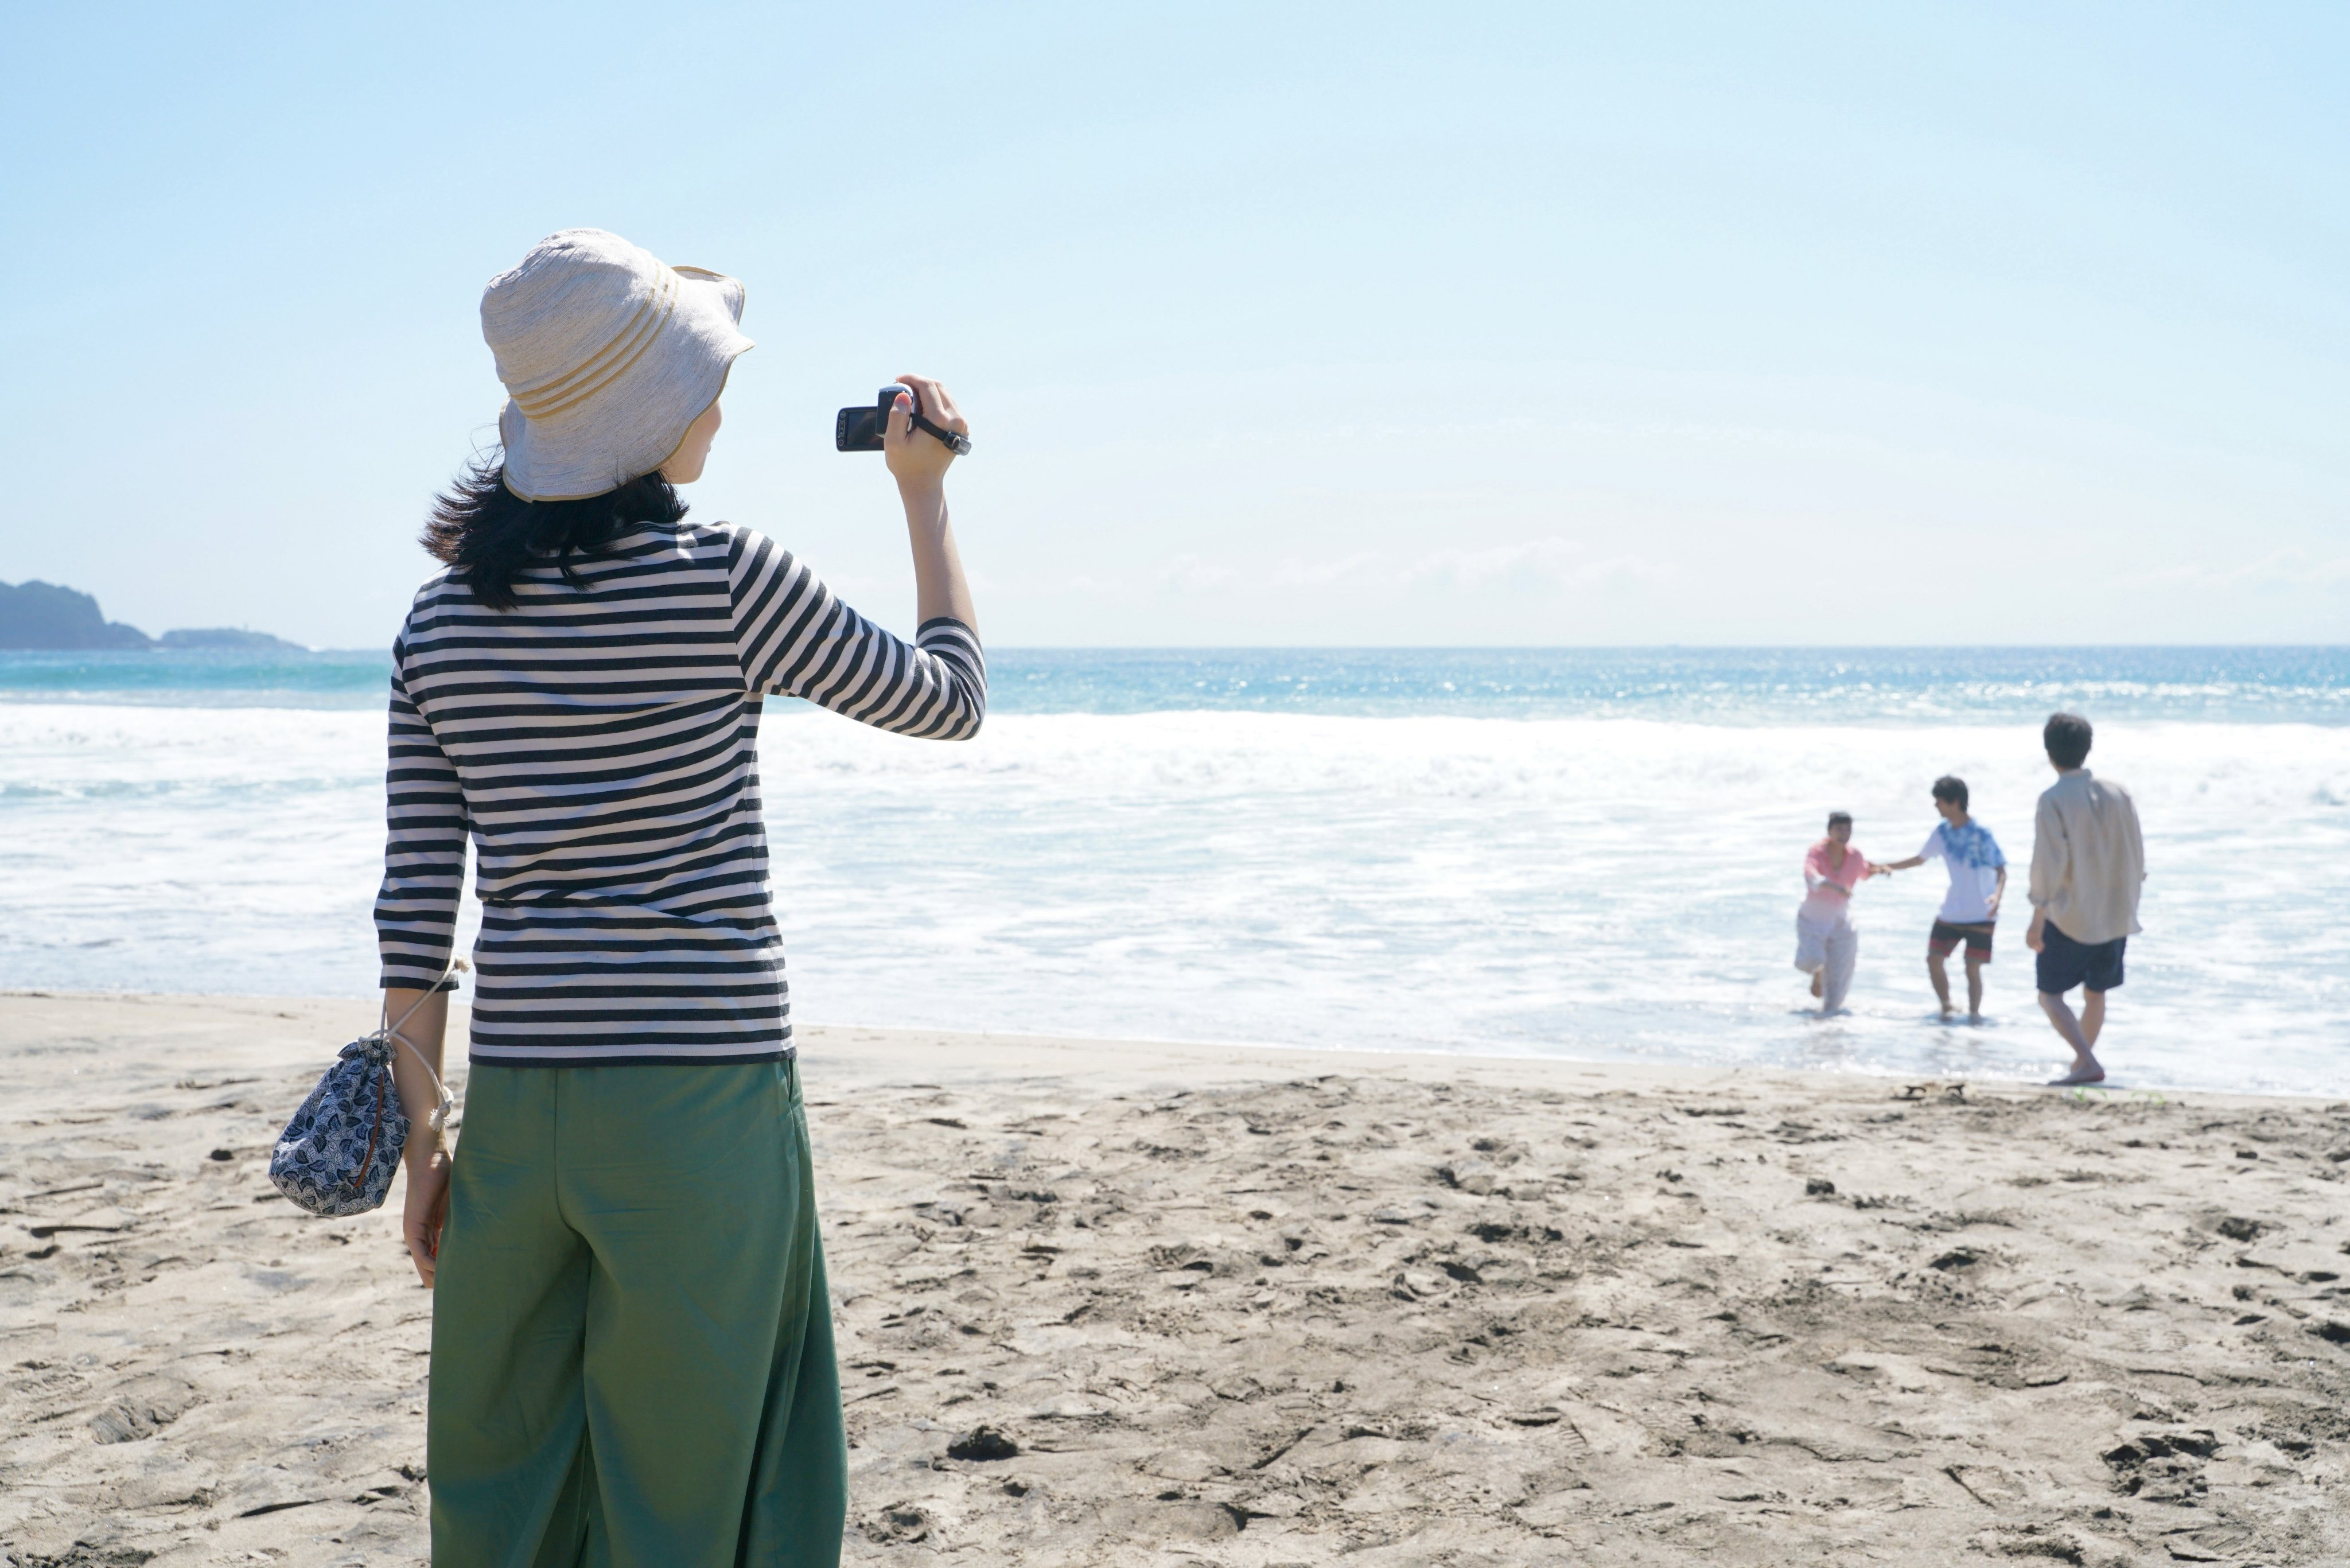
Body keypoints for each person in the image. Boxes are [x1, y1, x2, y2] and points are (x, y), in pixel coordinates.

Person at [375, 229, 985, 1567]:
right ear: (645, 415)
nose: (719, 402)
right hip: (702, 1101)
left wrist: (427, 1146)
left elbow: (415, 917)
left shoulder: (437, 627)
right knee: (703, 1486)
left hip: (521, 1109)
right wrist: (924, 497)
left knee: (505, 1488)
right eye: (702, 378)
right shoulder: (728, 579)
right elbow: (949, 699)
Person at [2024, 712, 2145, 1087]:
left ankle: (2087, 1062)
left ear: (2049, 752)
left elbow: (2048, 863)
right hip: (2115, 914)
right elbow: (2137, 853)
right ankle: (2081, 1065)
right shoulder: (2118, 792)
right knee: (2096, 993)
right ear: (2087, 747)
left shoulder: (2053, 799)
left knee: (2049, 995)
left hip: (2070, 917)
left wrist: (2037, 916)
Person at [1877, 775, 2007, 1021]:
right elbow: (1919, 860)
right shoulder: (1942, 832)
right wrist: (1884, 866)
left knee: (1972, 968)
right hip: (1952, 911)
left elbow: (2001, 868)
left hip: (1982, 912)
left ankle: (1974, 1017)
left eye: (1939, 801)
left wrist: (1997, 896)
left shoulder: (1981, 833)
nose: (1935, 805)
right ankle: (1946, 1008)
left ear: (1954, 802)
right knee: (1933, 959)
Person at [1795, 811, 1886, 1015]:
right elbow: (1810, 874)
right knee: (1810, 961)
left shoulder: (1855, 856)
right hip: (1814, 916)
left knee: (1838, 985)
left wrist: (1878, 870)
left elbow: (1864, 873)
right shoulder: (1816, 852)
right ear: (1829, 831)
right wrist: (1834, 886)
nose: (1844, 834)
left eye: (1847, 830)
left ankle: (1830, 1025)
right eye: (1839, 829)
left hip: (1842, 919)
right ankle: (1818, 974)